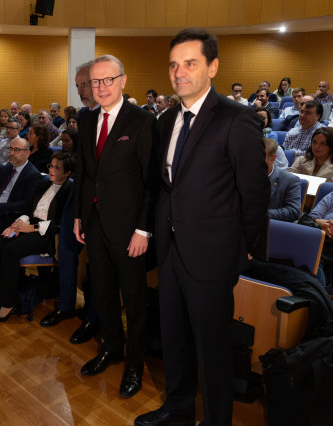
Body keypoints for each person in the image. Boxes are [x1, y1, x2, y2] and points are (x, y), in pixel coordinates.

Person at [135, 29, 269, 426]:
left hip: (213, 255)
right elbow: (166, 187)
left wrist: (243, 249)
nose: (179, 72)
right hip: (172, 251)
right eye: (174, 65)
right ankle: (178, 410)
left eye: (190, 63)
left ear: (212, 66)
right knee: (174, 339)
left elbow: (255, 192)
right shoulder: (165, 120)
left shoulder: (236, 118)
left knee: (211, 350)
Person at [73, 54, 157, 400]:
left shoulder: (142, 121)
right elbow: (85, 175)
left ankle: (135, 363)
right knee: (103, 292)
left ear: (123, 81)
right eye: (95, 81)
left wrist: (143, 229)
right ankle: (111, 348)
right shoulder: (88, 119)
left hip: (129, 230)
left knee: (134, 300)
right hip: (94, 223)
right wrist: (79, 215)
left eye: (108, 80)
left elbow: (152, 181)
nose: (101, 87)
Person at [0, 152, 74, 321]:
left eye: (57, 168)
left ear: (68, 172)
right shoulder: (43, 183)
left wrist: (31, 228)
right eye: (51, 166)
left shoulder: (70, 190)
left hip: (47, 234)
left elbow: (61, 223)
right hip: (29, 225)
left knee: (11, 250)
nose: (52, 170)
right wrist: (18, 223)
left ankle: (7, 303)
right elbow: (29, 209)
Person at [265, 138, 301, 222]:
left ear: (273, 158)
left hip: (271, 227)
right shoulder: (242, 176)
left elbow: (293, 211)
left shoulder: (290, 180)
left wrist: (263, 214)